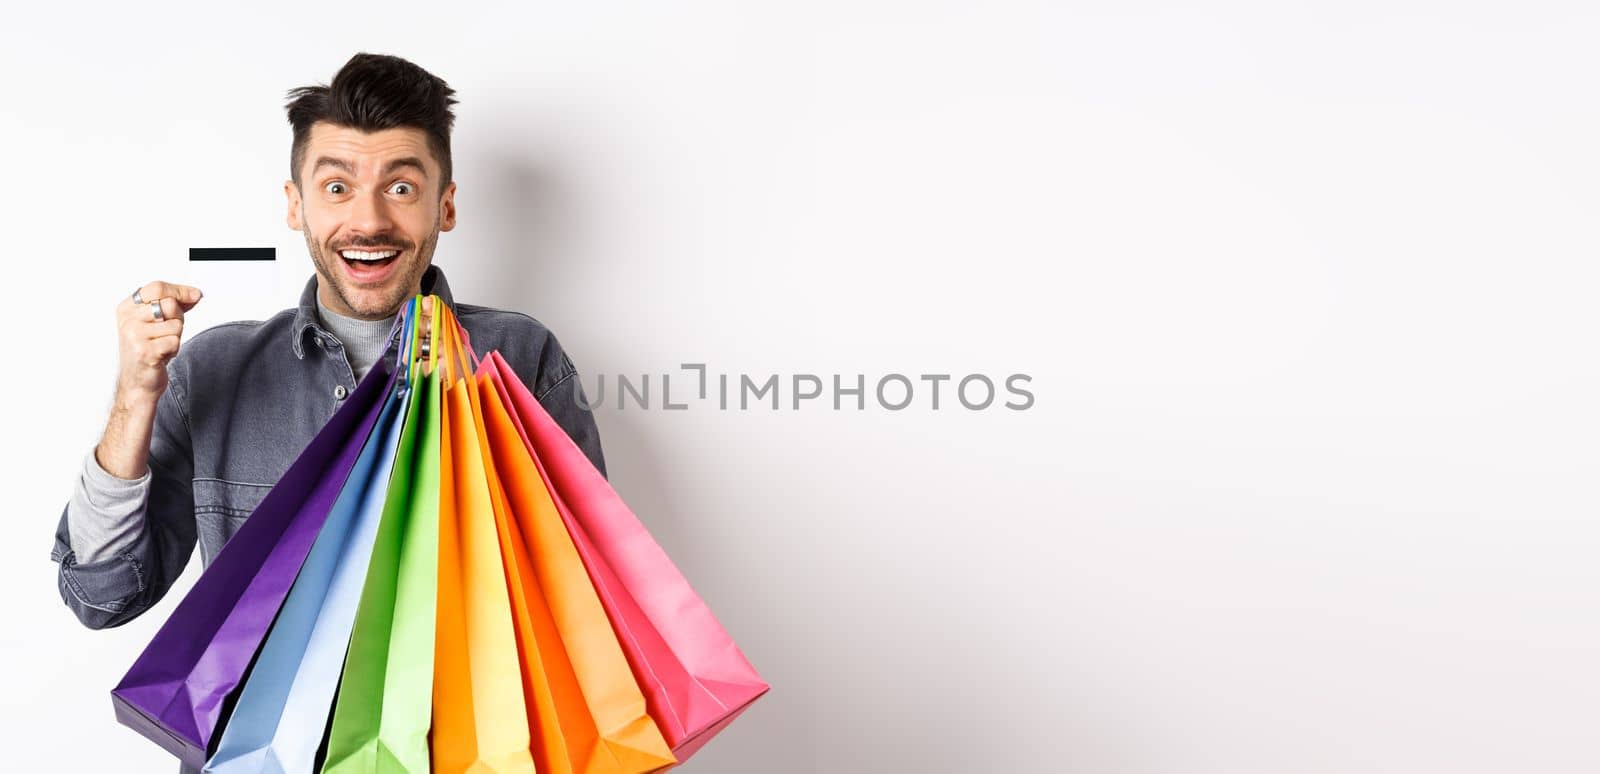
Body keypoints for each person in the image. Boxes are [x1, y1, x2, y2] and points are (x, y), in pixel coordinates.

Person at [48, 52, 606, 771]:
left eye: (401, 186)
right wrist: (134, 399)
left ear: (446, 205)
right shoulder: (214, 370)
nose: (367, 220)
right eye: (337, 186)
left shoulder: (520, 359)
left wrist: (481, 438)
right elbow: (103, 599)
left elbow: (579, 616)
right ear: (295, 204)